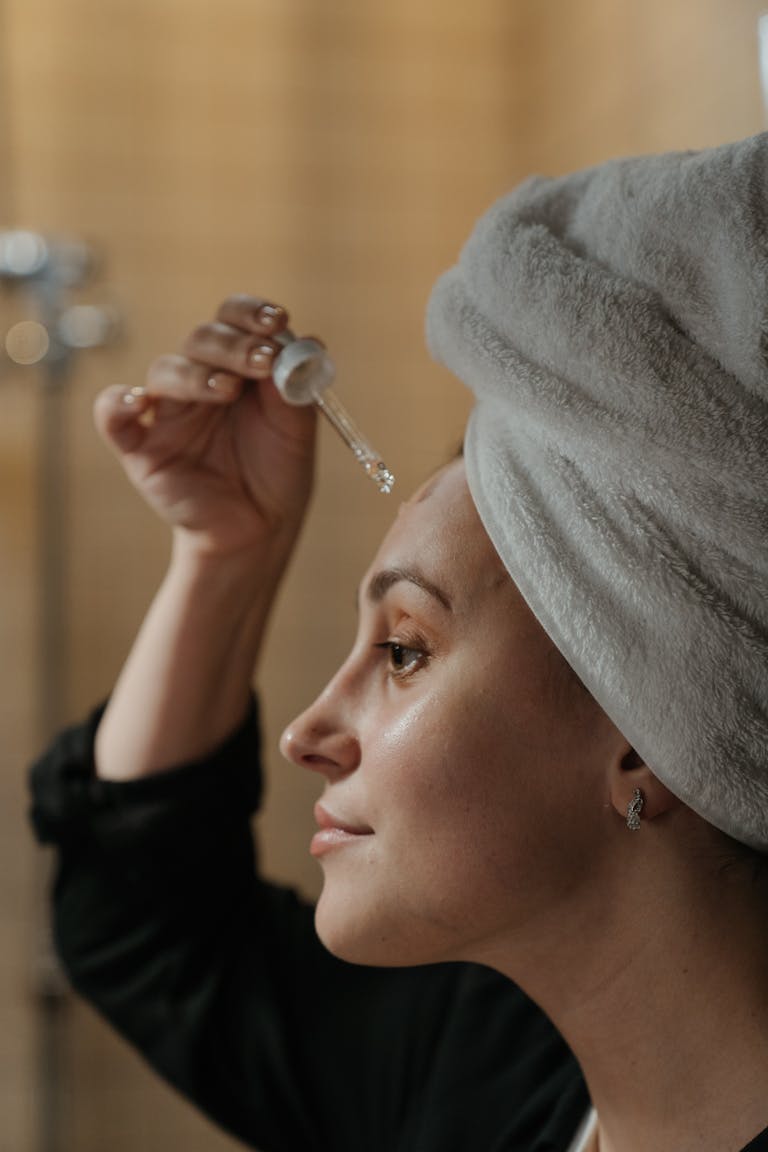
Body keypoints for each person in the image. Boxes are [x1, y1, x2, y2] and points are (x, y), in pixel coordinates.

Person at [30, 133, 768, 1152]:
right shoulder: (478, 1069)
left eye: (405, 650)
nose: (304, 735)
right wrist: (225, 554)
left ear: (645, 732)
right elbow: (148, 930)